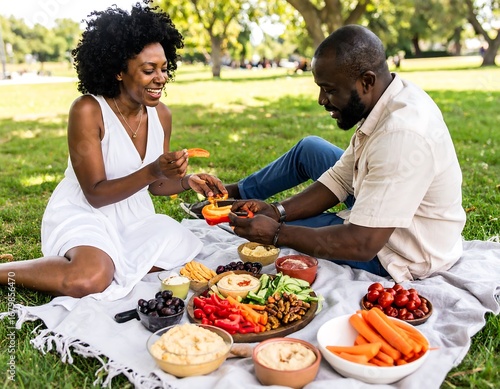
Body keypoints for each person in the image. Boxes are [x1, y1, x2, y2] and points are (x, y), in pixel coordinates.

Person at [185, 25, 466, 282]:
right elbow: (341, 180)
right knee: (311, 149)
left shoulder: (402, 135)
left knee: (295, 230)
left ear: (366, 81)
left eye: (329, 90)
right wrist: (276, 211)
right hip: (386, 205)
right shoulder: (388, 96)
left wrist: (277, 233)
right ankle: (236, 194)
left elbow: (361, 244)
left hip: (400, 248)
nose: (321, 100)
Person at [0, 2, 226, 299]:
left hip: (134, 217)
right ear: (119, 71)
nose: (161, 78)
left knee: (184, 253)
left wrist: (186, 181)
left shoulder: (162, 115)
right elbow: (95, 193)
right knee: (89, 279)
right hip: (85, 211)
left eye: (164, 68)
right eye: (149, 70)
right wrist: (153, 169)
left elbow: (157, 185)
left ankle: (114, 261)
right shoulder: (88, 110)